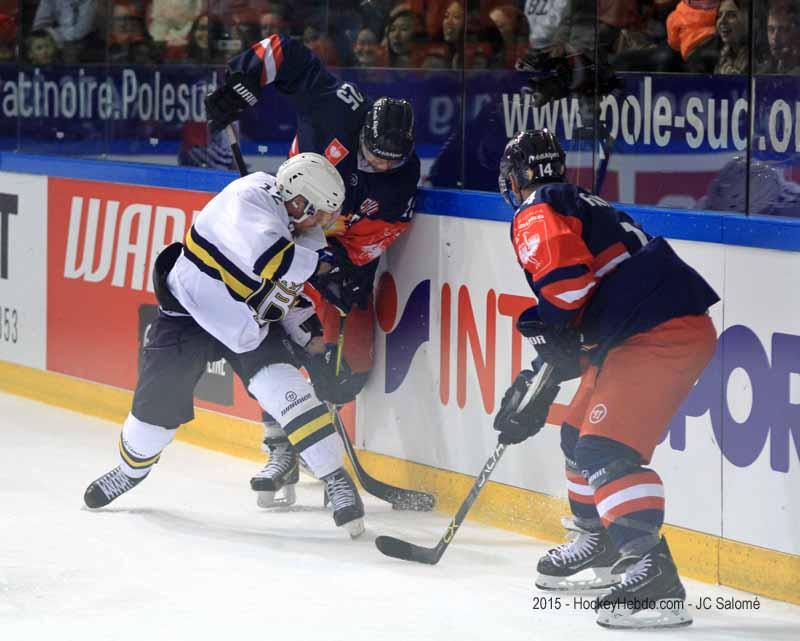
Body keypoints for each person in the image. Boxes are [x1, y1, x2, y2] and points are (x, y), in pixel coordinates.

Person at [494, 129, 719, 628]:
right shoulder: (578, 202)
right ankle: (599, 542)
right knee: (577, 435)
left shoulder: (535, 209)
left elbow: (568, 293)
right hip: (640, 330)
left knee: (604, 450)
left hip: (658, 334)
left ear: (514, 178)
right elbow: (592, 301)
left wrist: (548, 334)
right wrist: (543, 374)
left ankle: (653, 578)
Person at [83, 153, 366, 538]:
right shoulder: (247, 197)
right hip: (189, 313)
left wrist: (316, 353)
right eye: (321, 213)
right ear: (300, 201)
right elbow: (273, 260)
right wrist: (324, 268)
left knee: (287, 391)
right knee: (154, 413)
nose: (324, 224)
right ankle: (130, 471)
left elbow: (286, 299)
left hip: (245, 325)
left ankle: (336, 478)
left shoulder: (303, 234)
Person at [204, 33, 419, 507]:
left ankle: (318, 445)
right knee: (274, 338)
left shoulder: (401, 179)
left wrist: (335, 269)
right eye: (373, 153)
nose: (381, 164)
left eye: (391, 160)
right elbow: (285, 51)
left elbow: (373, 240)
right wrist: (243, 80)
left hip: (340, 261)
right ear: (362, 131)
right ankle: (280, 448)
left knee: (345, 367)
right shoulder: (338, 107)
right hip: (287, 234)